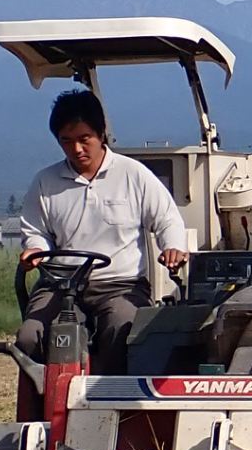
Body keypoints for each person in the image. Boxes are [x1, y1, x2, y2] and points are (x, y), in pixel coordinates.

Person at [16, 88, 191, 371]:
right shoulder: (45, 182)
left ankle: (112, 402)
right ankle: (47, 402)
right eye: (66, 141)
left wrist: (172, 246)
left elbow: (167, 219)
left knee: (123, 328)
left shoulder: (132, 174)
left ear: (101, 134)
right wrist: (36, 250)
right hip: (60, 284)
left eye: (84, 139)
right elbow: (37, 230)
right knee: (29, 336)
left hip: (119, 284)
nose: (76, 149)